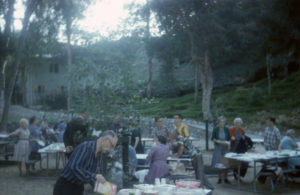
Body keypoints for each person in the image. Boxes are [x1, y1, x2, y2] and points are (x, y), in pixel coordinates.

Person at [53, 130, 118, 195]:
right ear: (105, 140)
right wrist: (95, 176)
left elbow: (89, 176)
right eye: (112, 146)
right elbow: (74, 167)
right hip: (65, 187)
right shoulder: (85, 147)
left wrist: (107, 189)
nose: (112, 150)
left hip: (78, 187)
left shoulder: (99, 155)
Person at [211, 116, 231, 184]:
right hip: (218, 147)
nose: (222, 123)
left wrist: (229, 144)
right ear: (218, 122)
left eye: (223, 122)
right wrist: (216, 141)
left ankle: (226, 178)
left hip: (225, 147)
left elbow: (229, 138)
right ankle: (219, 178)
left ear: (225, 123)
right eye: (220, 122)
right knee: (218, 162)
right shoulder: (216, 129)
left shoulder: (227, 129)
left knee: (225, 162)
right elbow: (212, 138)